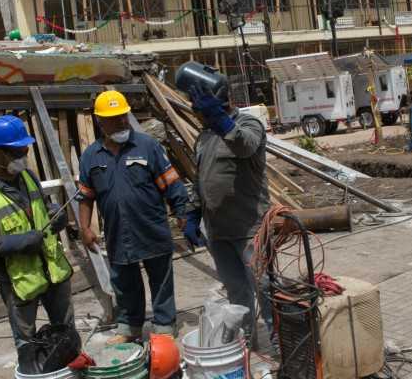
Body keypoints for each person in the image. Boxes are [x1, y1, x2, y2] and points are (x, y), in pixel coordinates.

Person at [77, 91, 189, 343]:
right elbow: (85, 196)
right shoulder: (91, 156)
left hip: (151, 228)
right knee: (125, 283)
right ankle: (129, 327)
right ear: (100, 122)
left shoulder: (147, 146)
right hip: (118, 233)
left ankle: (164, 324)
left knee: (160, 279)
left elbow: (171, 183)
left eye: (123, 117)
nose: (121, 123)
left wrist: (182, 211)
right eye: (114, 119)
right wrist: (84, 227)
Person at [175, 63, 274, 350]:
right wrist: (192, 213)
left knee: (265, 288)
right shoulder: (205, 136)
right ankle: (246, 345)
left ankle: (282, 344)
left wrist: (221, 119)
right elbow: (200, 178)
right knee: (237, 294)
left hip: (249, 228)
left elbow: (245, 146)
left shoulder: (248, 124)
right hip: (219, 232)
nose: (198, 113)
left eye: (201, 108)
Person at [0, 114, 74, 366]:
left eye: (24, 150)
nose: (22, 156)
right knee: (27, 343)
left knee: (66, 333)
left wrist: (56, 215)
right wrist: (21, 242)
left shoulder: (28, 176)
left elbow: (44, 208)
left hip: (53, 272)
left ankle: (70, 378)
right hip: (19, 281)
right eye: (16, 152)